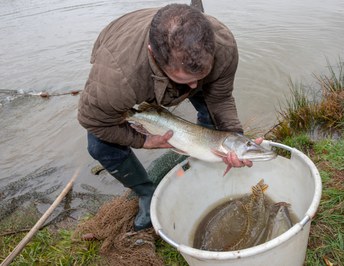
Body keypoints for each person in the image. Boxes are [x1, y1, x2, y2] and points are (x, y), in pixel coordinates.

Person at [78, 3, 261, 232]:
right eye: (186, 79)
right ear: (153, 54)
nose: (194, 87)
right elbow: (93, 121)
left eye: (200, 76)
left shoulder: (223, 45)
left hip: (173, 64)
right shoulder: (118, 78)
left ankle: (201, 161)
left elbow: (221, 98)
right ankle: (146, 192)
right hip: (125, 61)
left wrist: (235, 137)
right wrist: (143, 141)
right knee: (100, 147)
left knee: (211, 110)